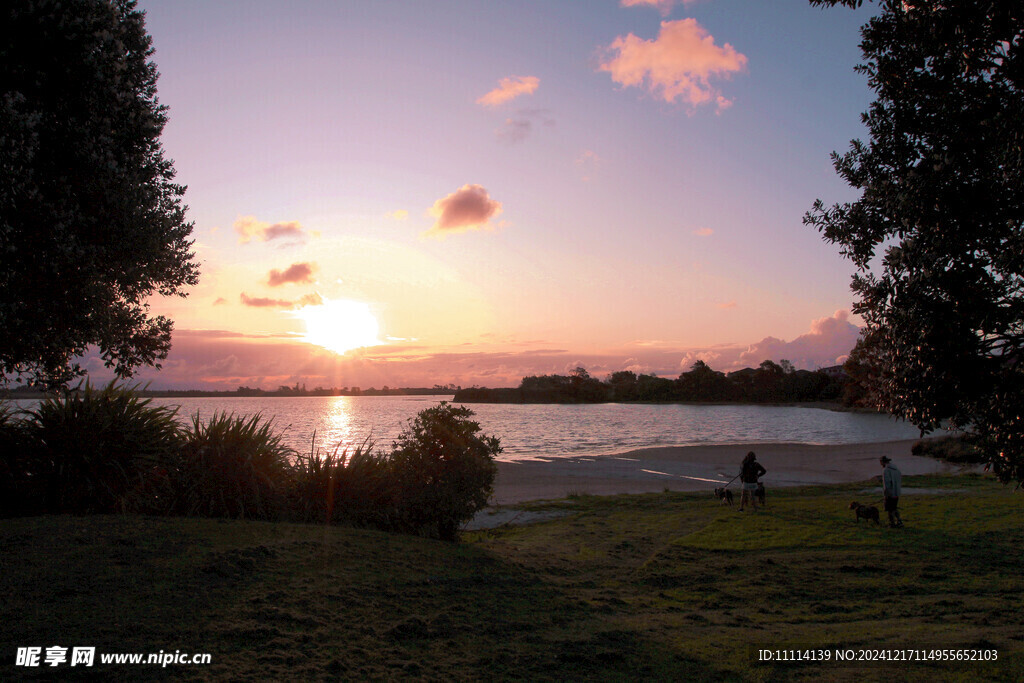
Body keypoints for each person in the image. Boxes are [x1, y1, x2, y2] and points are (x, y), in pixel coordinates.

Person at [880, 456, 903, 528]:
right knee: (894, 508)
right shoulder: (896, 469)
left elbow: (887, 484)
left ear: (883, 462)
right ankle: (899, 521)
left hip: (890, 493)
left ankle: (892, 523)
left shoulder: (886, 470)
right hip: (897, 492)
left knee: (890, 509)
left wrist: (886, 494)